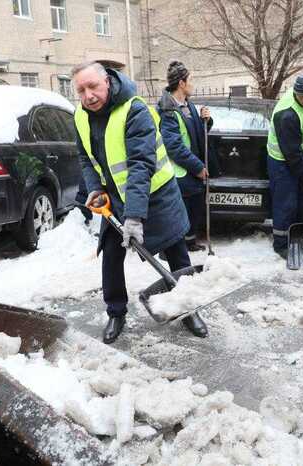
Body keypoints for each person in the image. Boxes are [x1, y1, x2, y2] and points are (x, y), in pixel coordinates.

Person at [71, 61, 208, 344]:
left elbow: (141, 165)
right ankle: (116, 312)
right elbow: (86, 157)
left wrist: (134, 217)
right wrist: (96, 188)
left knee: (176, 250)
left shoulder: (135, 111)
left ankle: (188, 307)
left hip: (156, 195)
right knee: (111, 253)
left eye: (93, 86)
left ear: (107, 82)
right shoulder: (80, 117)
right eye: (81, 90)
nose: (88, 95)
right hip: (115, 198)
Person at [156, 61, 216, 252]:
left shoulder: (187, 105)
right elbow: (174, 146)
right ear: (181, 83)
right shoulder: (168, 110)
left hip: (191, 170)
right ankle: (176, 251)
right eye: (191, 80)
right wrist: (197, 167)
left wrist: (206, 120)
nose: (193, 83)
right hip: (180, 172)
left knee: (193, 209)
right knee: (182, 212)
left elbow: (196, 134)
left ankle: (189, 243)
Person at [266, 75, 303, 259]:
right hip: (281, 160)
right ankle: (281, 243)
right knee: (285, 202)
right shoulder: (287, 114)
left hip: (299, 155)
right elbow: (292, 153)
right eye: (302, 96)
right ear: (296, 93)